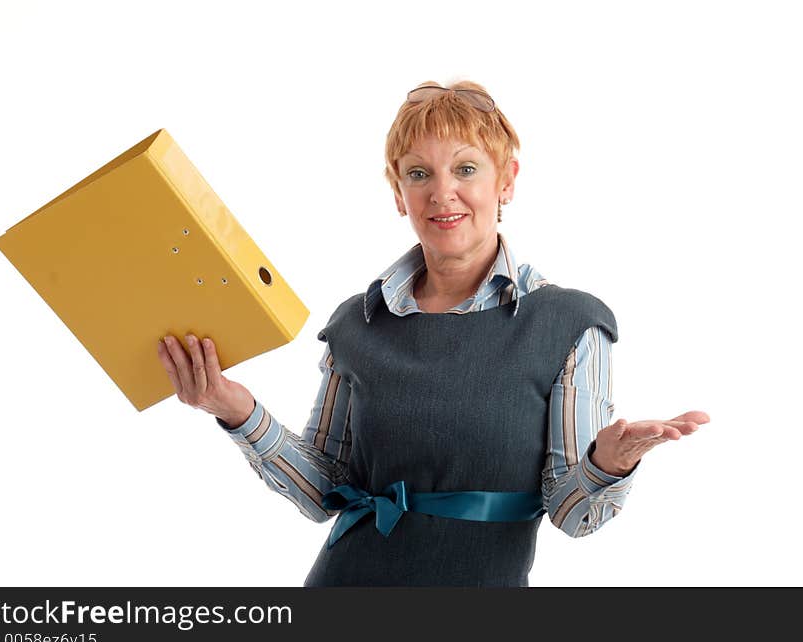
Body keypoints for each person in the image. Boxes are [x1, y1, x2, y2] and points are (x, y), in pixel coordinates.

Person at [156, 80, 710, 586]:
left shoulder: (569, 324)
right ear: (399, 193)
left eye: (466, 169)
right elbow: (322, 490)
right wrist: (232, 407)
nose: (442, 193)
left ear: (507, 180)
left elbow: (572, 514)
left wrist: (610, 462)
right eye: (418, 174)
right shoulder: (358, 323)